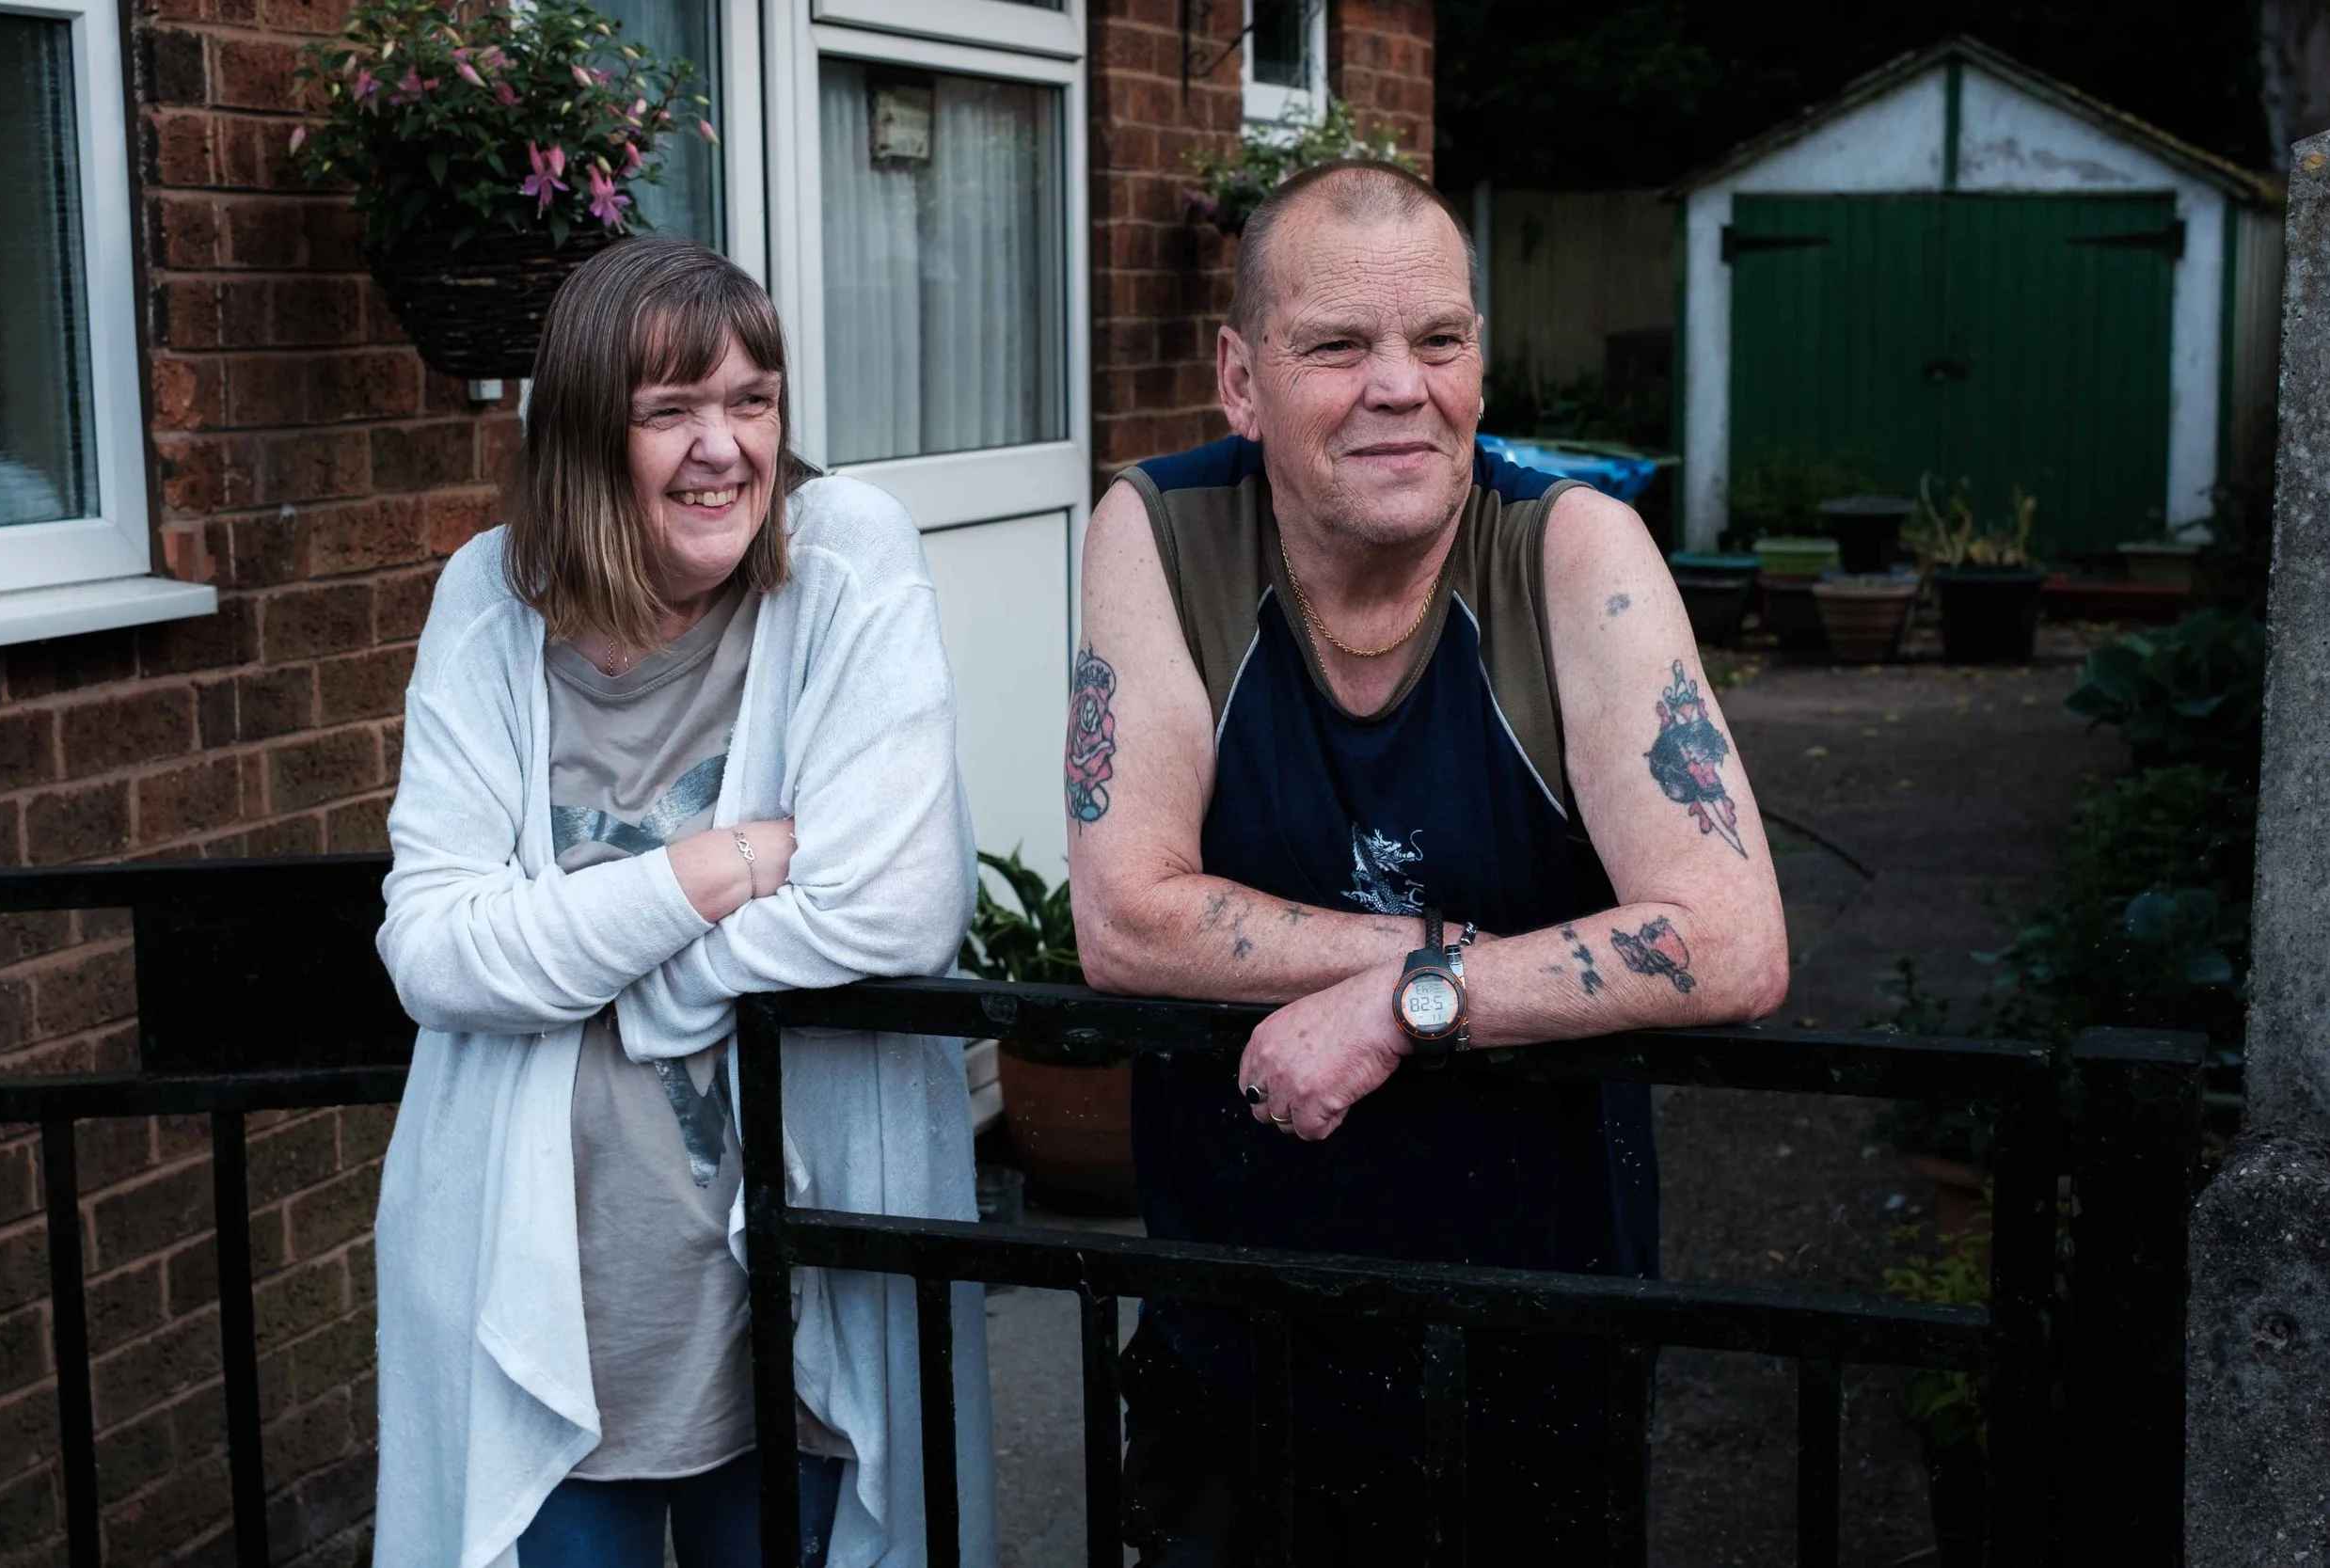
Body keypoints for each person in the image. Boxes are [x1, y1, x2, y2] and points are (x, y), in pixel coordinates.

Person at [1068, 162, 1790, 1562]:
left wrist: (1407, 1009)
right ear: (1239, 379)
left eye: (1440, 340)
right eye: (1337, 345)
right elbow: (1127, 916)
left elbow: (1733, 935)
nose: (1401, 384)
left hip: (1537, 1346)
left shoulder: (1573, 552)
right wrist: (1426, 965)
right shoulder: (1162, 535)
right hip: (1240, 1343)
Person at [371, 237, 995, 1568]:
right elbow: (432, 949)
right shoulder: (488, 601)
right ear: (590, 437)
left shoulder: (842, 559)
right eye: (672, 412)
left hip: (797, 1289)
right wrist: (715, 870)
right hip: (552, 1303)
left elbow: (897, 910)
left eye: (752, 400)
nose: (726, 449)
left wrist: (639, 971)